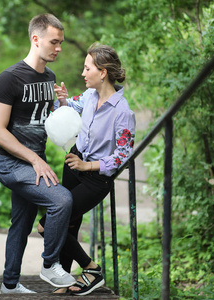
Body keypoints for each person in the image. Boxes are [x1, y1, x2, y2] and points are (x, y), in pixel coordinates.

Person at [37, 43, 136, 296]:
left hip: (95, 179)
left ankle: (91, 269)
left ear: (102, 72)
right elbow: (73, 107)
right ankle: (64, 279)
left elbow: (123, 154)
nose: (83, 73)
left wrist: (88, 165)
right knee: (67, 225)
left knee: (47, 225)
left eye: (87, 68)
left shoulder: (123, 112)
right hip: (73, 164)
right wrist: (62, 101)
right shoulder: (90, 96)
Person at [0, 14, 77, 294]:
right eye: (54, 41)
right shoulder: (8, 79)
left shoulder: (49, 77)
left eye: (61, 42)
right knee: (62, 199)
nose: (59, 48)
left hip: (33, 163)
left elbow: (44, 120)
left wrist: (62, 105)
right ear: (35, 39)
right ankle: (50, 264)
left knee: (23, 222)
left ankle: (10, 284)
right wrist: (35, 159)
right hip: (12, 164)